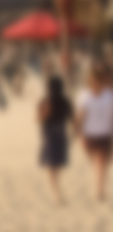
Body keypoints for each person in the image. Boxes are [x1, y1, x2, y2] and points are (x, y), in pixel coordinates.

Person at [75, 60, 113, 202]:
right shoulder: (85, 96)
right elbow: (80, 117)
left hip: (104, 134)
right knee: (99, 163)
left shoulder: (108, 96)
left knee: (101, 163)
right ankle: (99, 191)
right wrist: (78, 133)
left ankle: (99, 190)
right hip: (91, 135)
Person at [37, 72, 73, 203]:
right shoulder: (65, 101)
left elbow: (39, 119)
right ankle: (57, 192)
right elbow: (72, 119)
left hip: (50, 136)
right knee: (56, 166)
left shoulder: (46, 101)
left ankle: (56, 192)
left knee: (53, 166)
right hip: (60, 135)